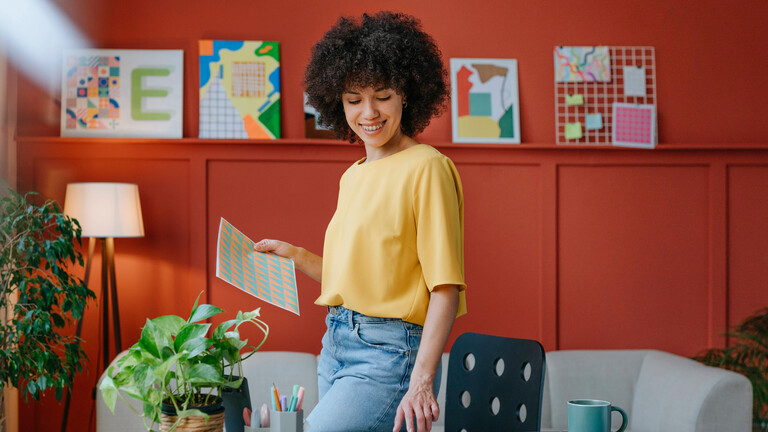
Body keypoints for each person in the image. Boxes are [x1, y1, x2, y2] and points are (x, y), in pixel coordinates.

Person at [254, 11, 466, 432]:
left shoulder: (428, 168)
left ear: (406, 92)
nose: (368, 112)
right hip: (336, 341)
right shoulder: (352, 175)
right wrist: (293, 255)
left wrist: (422, 381)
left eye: (382, 95)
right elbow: (354, 279)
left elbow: (445, 289)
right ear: (338, 102)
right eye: (354, 100)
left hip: (390, 353)